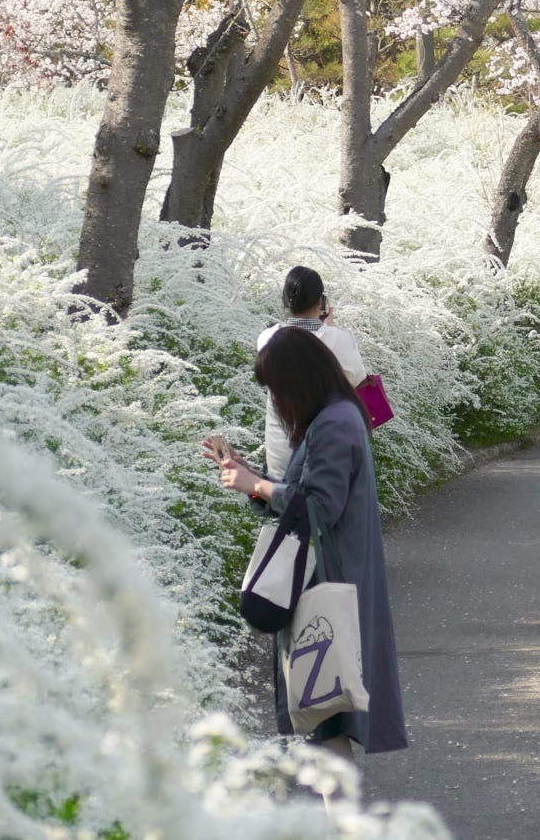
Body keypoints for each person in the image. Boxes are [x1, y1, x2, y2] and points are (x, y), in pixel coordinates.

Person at [202, 326, 406, 758]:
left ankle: (339, 804)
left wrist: (257, 486)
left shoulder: (333, 423)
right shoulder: (337, 415)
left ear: (298, 380)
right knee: (323, 714)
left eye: (277, 389)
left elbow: (319, 506)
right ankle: (338, 802)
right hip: (335, 571)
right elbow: (306, 494)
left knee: (323, 711)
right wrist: (252, 477)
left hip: (330, 576)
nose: (276, 401)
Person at [257, 265, 369, 479]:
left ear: (285, 300)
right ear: (321, 301)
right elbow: (357, 380)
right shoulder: (340, 339)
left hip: (280, 451)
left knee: (283, 498)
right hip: (325, 450)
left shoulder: (267, 339)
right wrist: (331, 329)